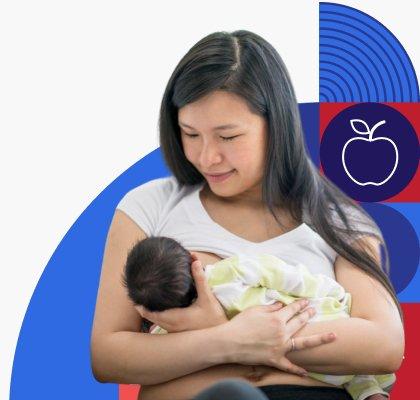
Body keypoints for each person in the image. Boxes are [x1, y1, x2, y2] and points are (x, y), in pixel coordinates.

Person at [90, 30, 404, 400]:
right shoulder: (150, 206)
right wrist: (228, 341)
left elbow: (383, 344)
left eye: (228, 137)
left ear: (277, 127)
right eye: (190, 134)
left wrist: (235, 331)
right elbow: (107, 355)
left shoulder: (338, 221)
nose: (207, 157)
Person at [122, 235, 394, 400]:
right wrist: (330, 294)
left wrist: (219, 331)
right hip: (318, 350)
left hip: (313, 347)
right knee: (354, 376)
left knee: (349, 369)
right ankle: (367, 389)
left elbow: (385, 349)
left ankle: (366, 387)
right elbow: (284, 274)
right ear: (194, 259)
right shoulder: (232, 270)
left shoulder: (168, 324)